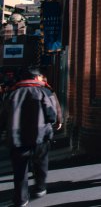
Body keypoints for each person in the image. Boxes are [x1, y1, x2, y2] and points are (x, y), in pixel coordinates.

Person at [0, 67, 62, 207]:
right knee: (41, 163)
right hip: (40, 136)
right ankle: (40, 187)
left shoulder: (12, 92)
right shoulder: (44, 91)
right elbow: (51, 114)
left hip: (17, 137)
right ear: (36, 77)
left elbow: (3, 115)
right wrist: (53, 122)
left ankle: (21, 199)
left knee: (20, 170)